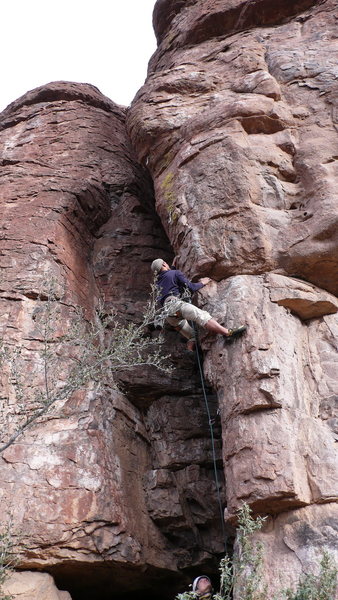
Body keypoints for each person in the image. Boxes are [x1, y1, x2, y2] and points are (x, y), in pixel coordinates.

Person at [151, 258, 246, 351]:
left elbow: (168, 279)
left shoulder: (158, 282)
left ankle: (192, 352)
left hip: (168, 315)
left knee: (193, 336)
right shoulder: (175, 273)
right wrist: (202, 283)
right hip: (176, 305)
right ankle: (227, 333)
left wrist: (172, 267)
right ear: (164, 264)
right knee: (202, 316)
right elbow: (191, 287)